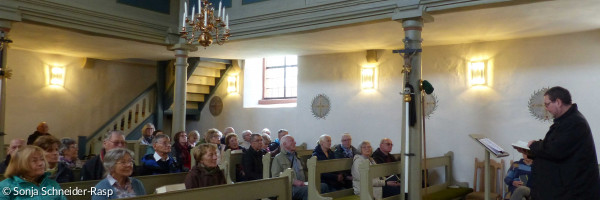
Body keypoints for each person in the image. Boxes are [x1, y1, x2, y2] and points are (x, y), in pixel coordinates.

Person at [525, 86, 600, 199]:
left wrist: (534, 146)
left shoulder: (574, 122)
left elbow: (554, 150)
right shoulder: (566, 120)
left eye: (547, 104)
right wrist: (531, 151)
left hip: (573, 191)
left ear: (558, 102)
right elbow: (553, 145)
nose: (546, 108)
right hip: (562, 189)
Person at [272, 135, 329, 200]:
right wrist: (293, 181)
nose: (295, 143)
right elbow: (276, 177)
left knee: (323, 186)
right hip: (290, 188)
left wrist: (312, 179)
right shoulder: (278, 158)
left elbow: (305, 171)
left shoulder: (297, 157)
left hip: (303, 184)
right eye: (292, 141)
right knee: (308, 191)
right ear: (284, 144)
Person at [0, 146, 66, 200]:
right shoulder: (6, 186)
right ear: (21, 164)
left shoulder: (52, 185)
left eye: (42, 159)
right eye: (34, 161)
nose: (41, 163)